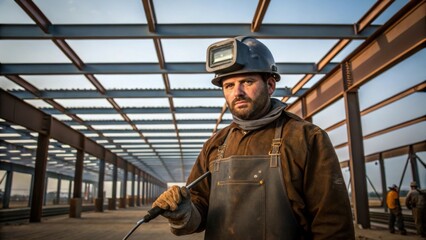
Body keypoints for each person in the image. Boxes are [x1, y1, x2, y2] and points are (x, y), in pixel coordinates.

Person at [152, 36, 355, 239]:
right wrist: (183, 213)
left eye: (247, 82)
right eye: (229, 85)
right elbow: (200, 206)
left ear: (270, 85)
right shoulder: (216, 144)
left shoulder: (306, 138)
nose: (237, 92)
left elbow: (332, 224)